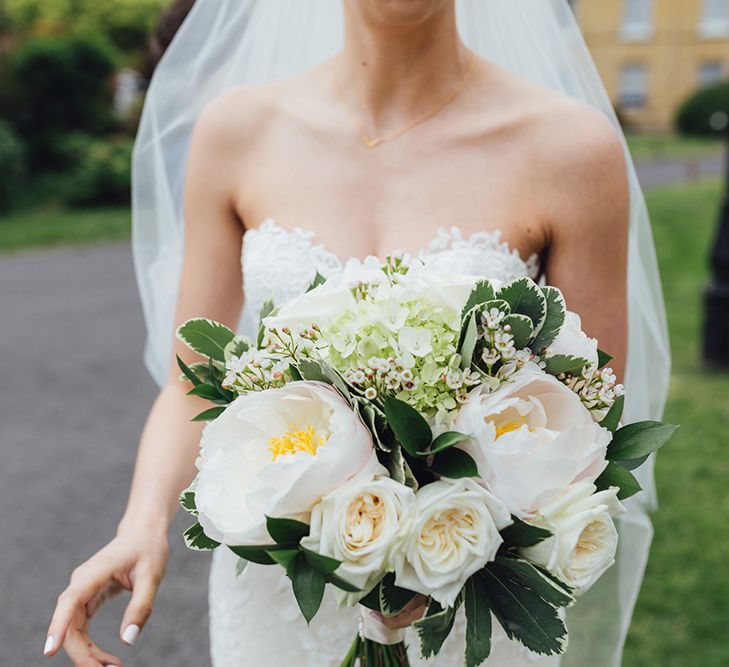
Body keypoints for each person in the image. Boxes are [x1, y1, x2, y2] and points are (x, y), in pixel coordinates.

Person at [44, 1, 670, 665]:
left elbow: (584, 413)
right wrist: (140, 527)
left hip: (459, 580)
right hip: (283, 588)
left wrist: (447, 532)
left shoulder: (570, 148)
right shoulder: (237, 130)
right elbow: (189, 383)